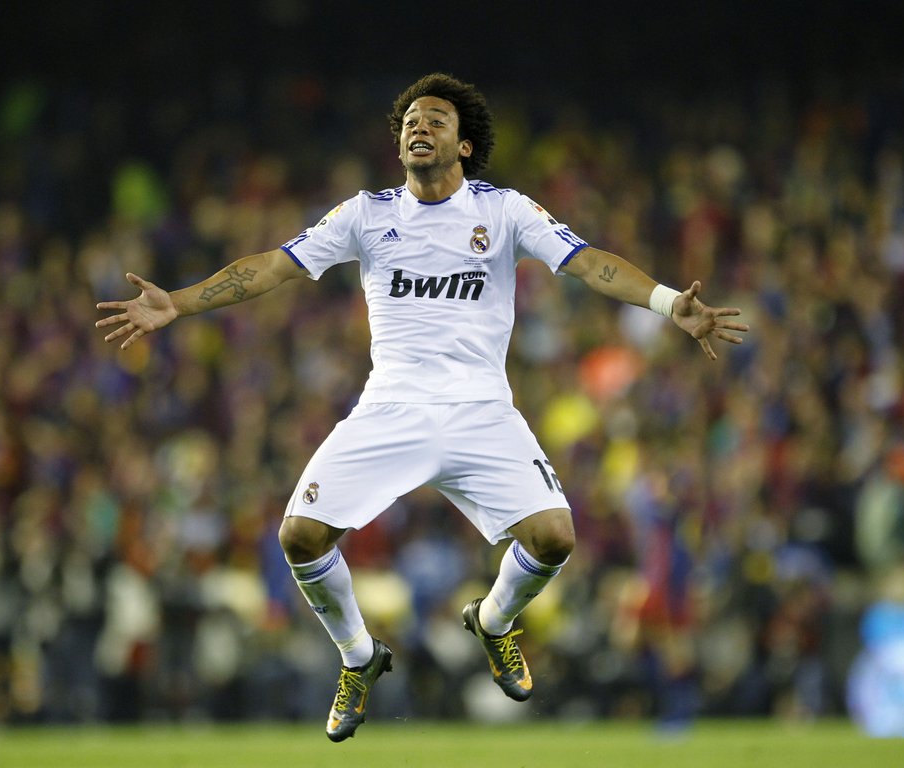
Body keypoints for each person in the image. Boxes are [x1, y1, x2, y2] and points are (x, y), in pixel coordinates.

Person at [96, 72, 748, 741]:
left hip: (481, 410)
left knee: (555, 537)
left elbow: (587, 263)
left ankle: (493, 621)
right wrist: (179, 302)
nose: (418, 126)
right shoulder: (366, 214)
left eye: (436, 119)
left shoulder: (505, 211)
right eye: (410, 120)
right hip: (392, 408)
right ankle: (358, 656)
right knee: (299, 536)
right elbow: (272, 266)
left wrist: (668, 303)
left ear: (464, 145)